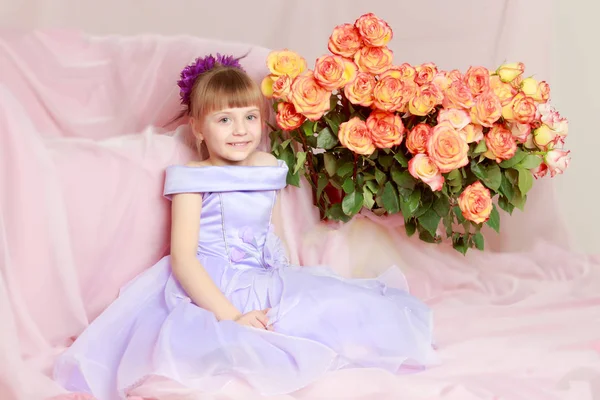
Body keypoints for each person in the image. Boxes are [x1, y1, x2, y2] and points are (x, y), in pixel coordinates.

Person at [53, 54, 439, 400]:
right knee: (259, 337)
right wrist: (231, 316)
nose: (240, 130)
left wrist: (281, 266)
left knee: (337, 302)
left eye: (250, 117)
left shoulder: (267, 166)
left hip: (263, 273)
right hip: (217, 283)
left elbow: (265, 230)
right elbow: (184, 259)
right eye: (224, 120)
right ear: (198, 128)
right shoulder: (194, 178)